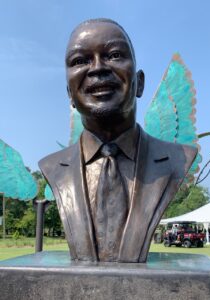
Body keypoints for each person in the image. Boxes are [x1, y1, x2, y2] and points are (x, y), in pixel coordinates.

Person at [39, 18, 197, 263]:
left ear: (140, 83)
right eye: (80, 60)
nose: (97, 68)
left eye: (113, 55)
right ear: (70, 94)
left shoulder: (178, 159)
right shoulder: (51, 167)